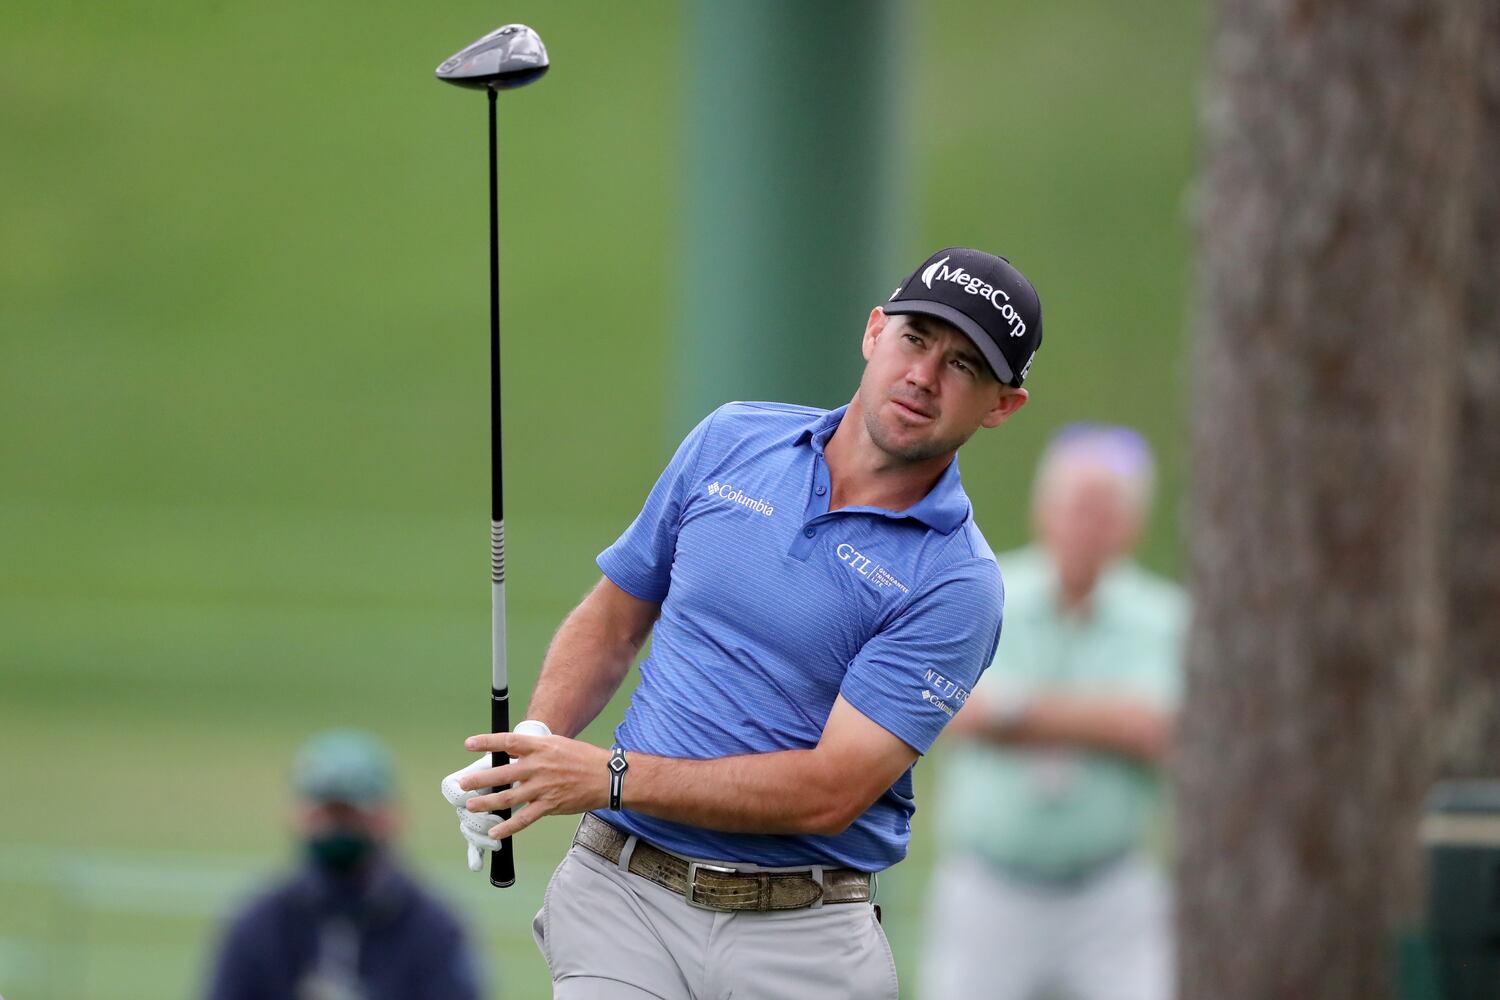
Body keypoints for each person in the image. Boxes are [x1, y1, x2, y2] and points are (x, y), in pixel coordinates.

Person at [441, 247, 1045, 999]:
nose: (924, 376)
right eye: (915, 339)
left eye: (964, 367)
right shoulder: (733, 440)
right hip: (623, 896)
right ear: (874, 333)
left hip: (806, 934)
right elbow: (614, 619)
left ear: (1001, 406)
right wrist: (537, 738)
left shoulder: (957, 582)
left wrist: (608, 775)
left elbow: (831, 790)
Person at [919, 424, 1186, 1000]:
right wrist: (1105, 720)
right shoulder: (986, 591)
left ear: (1130, 524)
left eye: (1106, 510)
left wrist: (1016, 713)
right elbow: (953, 708)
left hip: (1109, 893)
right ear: (1045, 509)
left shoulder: (1164, 616)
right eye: (1076, 506)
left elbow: (1155, 728)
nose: (1088, 525)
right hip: (991, 888)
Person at [207, 729, 482, 1000]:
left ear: (391, 815)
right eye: (326, 812)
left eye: (350, 813)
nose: (337, 827)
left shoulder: (432, 927)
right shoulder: (259, 924)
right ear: (297, 815)